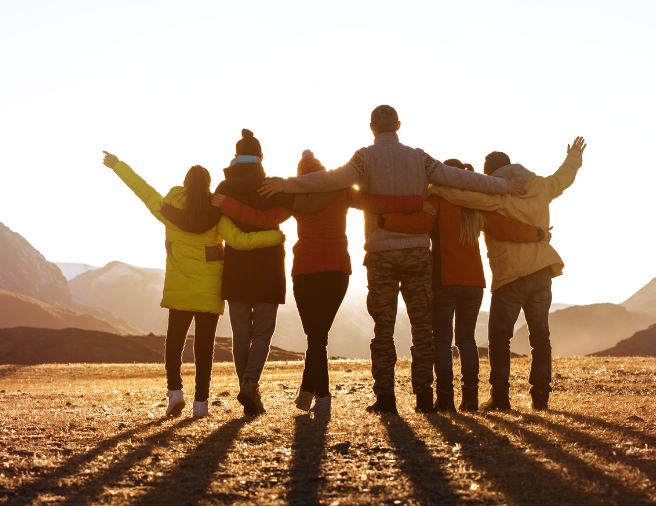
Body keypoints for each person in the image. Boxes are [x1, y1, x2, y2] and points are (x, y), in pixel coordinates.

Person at [258, 105, 527, 414]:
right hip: (416, 252)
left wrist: (286, 184)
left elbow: (328, 180)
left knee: (382, 329)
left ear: (371, 128)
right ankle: (424, 398)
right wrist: (504, 186)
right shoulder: (419, 157)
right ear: (398, 125)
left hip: (381, 253)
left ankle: (386, 398)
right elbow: (459, 179)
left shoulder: (363, 158)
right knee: (422, 328)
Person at [213, 149, 423, 416]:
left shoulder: (296, 196)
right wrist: (415, 202)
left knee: (316, 338)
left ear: (301, 177)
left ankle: (318, 396)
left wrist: (227, 204)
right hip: (337, 271)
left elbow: (262, 219)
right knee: (317, 338)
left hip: (306, 271)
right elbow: (378, 202)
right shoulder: (342, 190)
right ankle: (310, 395)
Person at [102, 150, 284, 419]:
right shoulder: (217, 215)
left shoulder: (167, 209)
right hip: (209, 293)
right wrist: (273, 237)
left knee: (174, 344)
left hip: (179, 290)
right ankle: (201, 403)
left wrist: (117, 165)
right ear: (208, 186)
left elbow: (140, 187)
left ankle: (175, 393)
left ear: (185, 184)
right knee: (204, 349)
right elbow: (239, 241)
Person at [428, 137, 586, 411]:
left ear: (489, 174)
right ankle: (540, 397)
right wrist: (574, 157)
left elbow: (463, 195)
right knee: (540, 336)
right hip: (541, 270)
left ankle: (500, 397)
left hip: (511, 275)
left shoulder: (494, 194)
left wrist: (434, 187)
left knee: (500, 338)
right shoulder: (541, 187)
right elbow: (564, 178)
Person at [381, 159, 552, 412]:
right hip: (474, 282)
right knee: (467, 339)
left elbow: (419, 223)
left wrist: (385, 221)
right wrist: (538, 233)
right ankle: (470, 398)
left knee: (441, 339)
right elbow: (505, 228)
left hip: (445, 279)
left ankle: (446, 398)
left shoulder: (438, 200)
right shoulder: (477, 206)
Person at [213, 129, 293, 417]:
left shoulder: (223, 187)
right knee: (261, 333)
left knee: (240, 333)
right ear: (261, 157)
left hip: (236, 269)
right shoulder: (270, 186)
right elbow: (288, 208)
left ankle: (246, 387)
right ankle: (250, 384)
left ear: (235, 157)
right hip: (269, 267)